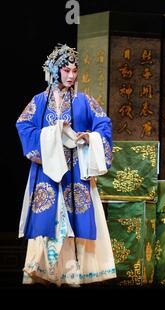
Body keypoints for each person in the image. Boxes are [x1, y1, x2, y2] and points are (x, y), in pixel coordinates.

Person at [16, 44, 116, 286]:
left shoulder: (85, 101)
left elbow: (104, 124)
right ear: (55, 71)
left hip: (77, 170)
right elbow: (23, 125)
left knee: (78, 218)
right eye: (66, 71)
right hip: (48, 172)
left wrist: (88, 138)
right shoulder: (39, 101)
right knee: (49, 218)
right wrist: (50, 135)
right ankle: (45, 269)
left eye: (74, 71)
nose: (71, 76)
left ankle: (76, 271)